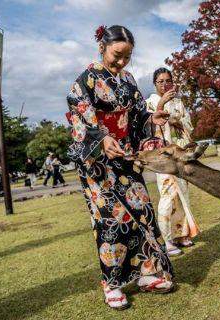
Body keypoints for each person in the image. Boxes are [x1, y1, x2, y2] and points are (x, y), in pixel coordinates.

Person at [66, 25, 174, 310]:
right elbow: (80, 118)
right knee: (110, 220)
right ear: (102, 47)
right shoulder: (86, 80)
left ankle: (147, 272)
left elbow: (138, 114)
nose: (122, 62)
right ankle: (112, 284)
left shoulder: (127, 79)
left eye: (127, 57)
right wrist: (101, 138)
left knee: (142, 211)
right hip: (97, 163)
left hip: (125, 156)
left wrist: (153, 118)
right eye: (117, 55)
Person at [146, 68, 199, 256]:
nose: (164, 84)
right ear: (155, 83)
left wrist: (178, 121)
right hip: (164, 156)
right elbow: (150, 126)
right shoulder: (151, 101)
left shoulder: (179, 102)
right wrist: (162, 104)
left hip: (180, 153)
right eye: (160, 81)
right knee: (167, 194)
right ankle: (166, 239)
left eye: (168, 81)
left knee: (183, 193)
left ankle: (182, 234)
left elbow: (188, 124)